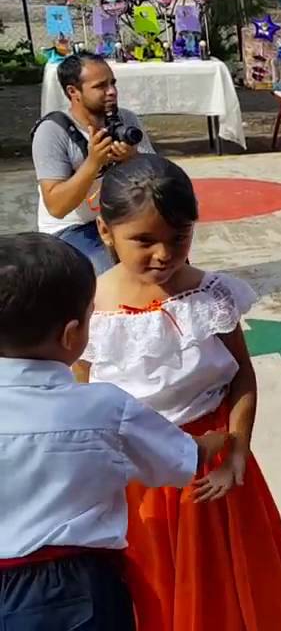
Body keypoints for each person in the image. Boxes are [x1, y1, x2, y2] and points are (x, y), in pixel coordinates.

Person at [75, 155, 281, 630]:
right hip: (138, 480)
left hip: (213, 470)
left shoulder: (211, 295)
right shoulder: (89, 307)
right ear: (106, 232)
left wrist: (237, 450)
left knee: (231, 583)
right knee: (158, 587)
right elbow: (81, 398)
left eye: (179, 238)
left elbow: (241, 376)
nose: (164, 255)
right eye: (144, 241)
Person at [0, 232, 222, 631]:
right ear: (72, 336)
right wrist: (215, 441)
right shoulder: (105, 407)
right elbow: (180, 462)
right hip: (75, 587)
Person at [33, 52, 155, 275]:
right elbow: (57, 207)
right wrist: (93, 163)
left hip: (118, 218)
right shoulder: (52, 131)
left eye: (113, 83)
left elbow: (158, 174)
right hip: (72, 227)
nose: (112, 92)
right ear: (73, 92)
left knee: (168, 255)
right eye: (101, 86)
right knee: (114, 272)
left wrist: (133, 159)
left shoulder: (126, 120)